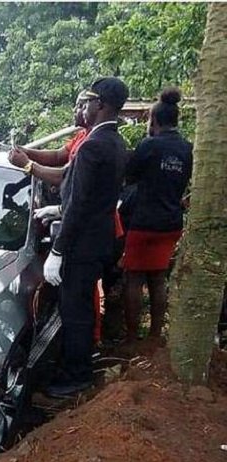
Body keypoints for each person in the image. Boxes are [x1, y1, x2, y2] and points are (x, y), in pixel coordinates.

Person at [43, 77, 129, 397]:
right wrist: (57, 209)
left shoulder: (93, 146)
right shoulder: (114, 142)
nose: (82, 108)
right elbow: (89, 196)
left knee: (75, 310)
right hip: (98, 238)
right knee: (81, 308)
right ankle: (77, 368)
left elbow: (79, 204)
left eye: (87, 102)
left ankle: (75, 376)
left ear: (101, 105)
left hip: (84, 243)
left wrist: (58, 250)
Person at [123, 87, 193, 343]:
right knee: (158, 277)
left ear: (155, 120)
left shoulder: (149, 145)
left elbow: (129, 176)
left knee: (134, 277)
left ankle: (131, 338)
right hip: (171, 222)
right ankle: (154, 337)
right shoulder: (188, 148)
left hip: (144, 222)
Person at [8, 90, 90, 187]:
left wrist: (27, 164)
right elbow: (57, 156)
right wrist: (27, 152)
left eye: (80, 106)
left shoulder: (92, 142)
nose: (74, 110)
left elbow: (64, 176)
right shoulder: (82, 135)